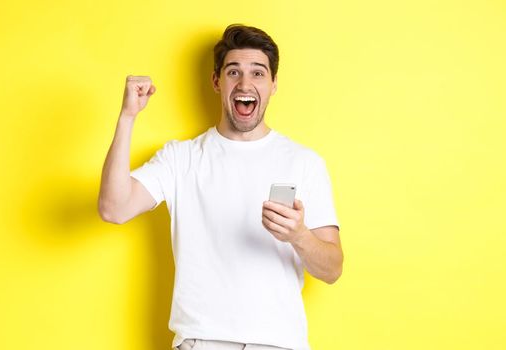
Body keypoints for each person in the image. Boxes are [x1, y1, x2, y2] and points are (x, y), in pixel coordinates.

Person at [98, 24, 343, 350]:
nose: (245, 83)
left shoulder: (304, 162)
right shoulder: (180, 158)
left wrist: (298, 235)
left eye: (258, 73)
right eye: (233, 72)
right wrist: (127, 117)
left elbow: (332, 269)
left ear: (273, 85)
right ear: (217, 81)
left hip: (279, 344)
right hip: (202, 342)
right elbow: (114, 208)